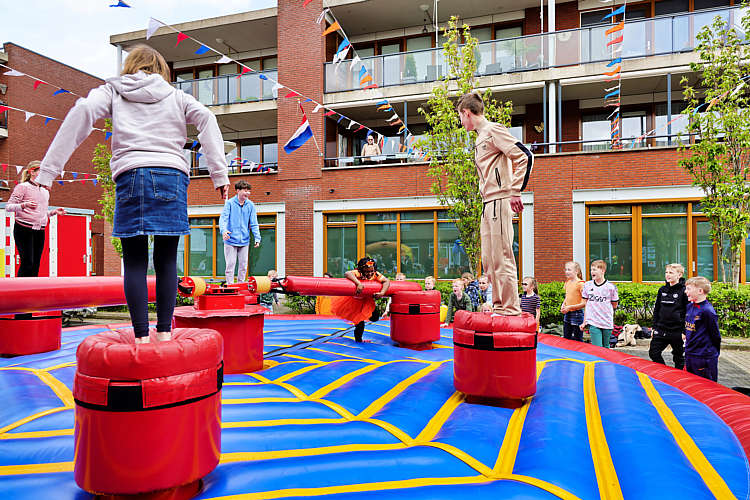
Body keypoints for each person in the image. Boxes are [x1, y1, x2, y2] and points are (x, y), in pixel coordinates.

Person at [36, 45, 230, 344]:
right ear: (162, 70)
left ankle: (141, 336)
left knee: (135, 261)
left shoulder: (114, 91)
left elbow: (83, 111)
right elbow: (207, 118)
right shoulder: (176, 96)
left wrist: (48, 172)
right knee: (166, 260)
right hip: (171, 173)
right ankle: (164, 333)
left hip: (132, 172)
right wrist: (219, 173)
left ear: (130, 66)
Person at [457, 92, 532, 316]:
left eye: (460, 116)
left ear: (466, 113)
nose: (460, 122)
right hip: (487, 202)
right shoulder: (480, 137)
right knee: (489, 260)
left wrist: (515, 191)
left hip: (500, 198)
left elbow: (524, 156)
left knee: (502, 256)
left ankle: (510, 308)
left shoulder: (493, 130)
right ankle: (499, 305)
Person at [7, 161, 65, 277]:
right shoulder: (23, 187)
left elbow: (41, 213)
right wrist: (24, 205)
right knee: (27, 262)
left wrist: (53, 212)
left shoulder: (45, 191)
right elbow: (9, 207)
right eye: (41, 171)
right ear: (32, 172)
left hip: (40, 230)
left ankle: (32, 287)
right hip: (23, 229)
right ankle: (21, 287)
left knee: (36, 264)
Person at [332, 257, 390, 342]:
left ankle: (367, 317)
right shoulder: (358, 273)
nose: (370, 273)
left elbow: (386, 281)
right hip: (355, 301)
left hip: (366, 301)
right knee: (359, 323)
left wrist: (382, 292)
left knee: (375, 317)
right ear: (362, 270)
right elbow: (347, 273)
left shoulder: (375, 274)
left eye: (371, 271)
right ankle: (358, 340)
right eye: (367, 272)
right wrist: (358, 283)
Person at [220, 180, 261, 284]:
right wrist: (224, 231)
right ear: (238, 191)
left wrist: (257, 238)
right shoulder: (229, 203)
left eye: (249, 191)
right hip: (230, 240)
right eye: (245, 191)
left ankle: (241, 284)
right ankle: (230, 286)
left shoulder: (250, 205)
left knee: (243, 265)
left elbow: (254, 223)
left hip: (244, 241)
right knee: (230, 265)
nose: (247, 193)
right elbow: (223, 219)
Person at [649, 263, 688, 369]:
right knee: (653, 353)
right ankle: (665, 373)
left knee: (679, 358)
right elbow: (657, 309)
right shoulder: (662, 290)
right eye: (666, 272)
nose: (668, 275)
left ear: (679, 275)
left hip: (677, 331)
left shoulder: (684, 291)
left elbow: (688, 312)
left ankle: (678, 377)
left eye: (671, 272)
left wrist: (685, 331)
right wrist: (654, 327)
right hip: (661, 329)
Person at [684, 276, 721, 382]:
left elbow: (715, 335)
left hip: (704, 357)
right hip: (690, 354)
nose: (685, 292)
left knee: (705, 385)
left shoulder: (707, 311)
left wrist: (716, 353)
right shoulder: (689, 307)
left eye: (689, 289)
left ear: (700, 291)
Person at [580, 260, 619, 349]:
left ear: (602, 271)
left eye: (594, 270)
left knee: (606, 347)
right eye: (591, 270)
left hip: (607, 322)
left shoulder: (611, 287)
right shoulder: (587, 285)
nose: (592, 272)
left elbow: (614, 305)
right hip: (593, 322)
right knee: (598, 348)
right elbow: (586, 304)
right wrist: (584, 321)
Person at [561, 261, 585, 342]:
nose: (566, 272)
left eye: (569, 270)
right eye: (566, 269)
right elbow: (567, 296)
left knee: (578, 338)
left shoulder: (581, 284)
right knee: (566, 337)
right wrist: (563, 304)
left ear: (576, 271)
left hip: (577, 313)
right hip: (568, 313)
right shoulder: (567, 282)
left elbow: (584, 303)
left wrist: (570, 307)